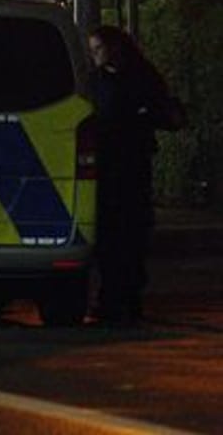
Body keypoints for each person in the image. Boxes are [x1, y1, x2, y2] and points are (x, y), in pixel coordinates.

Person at [87, 25, 176, 325]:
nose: (94, 55)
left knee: (130, 234)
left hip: (131, 167)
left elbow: (166, 112)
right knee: (109, 236)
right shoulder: (95, 80)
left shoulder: (140, 79)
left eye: (98, 49)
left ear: (115, 48)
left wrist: (141, 117)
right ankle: (112, 296)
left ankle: (126, 297)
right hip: (106, 168)